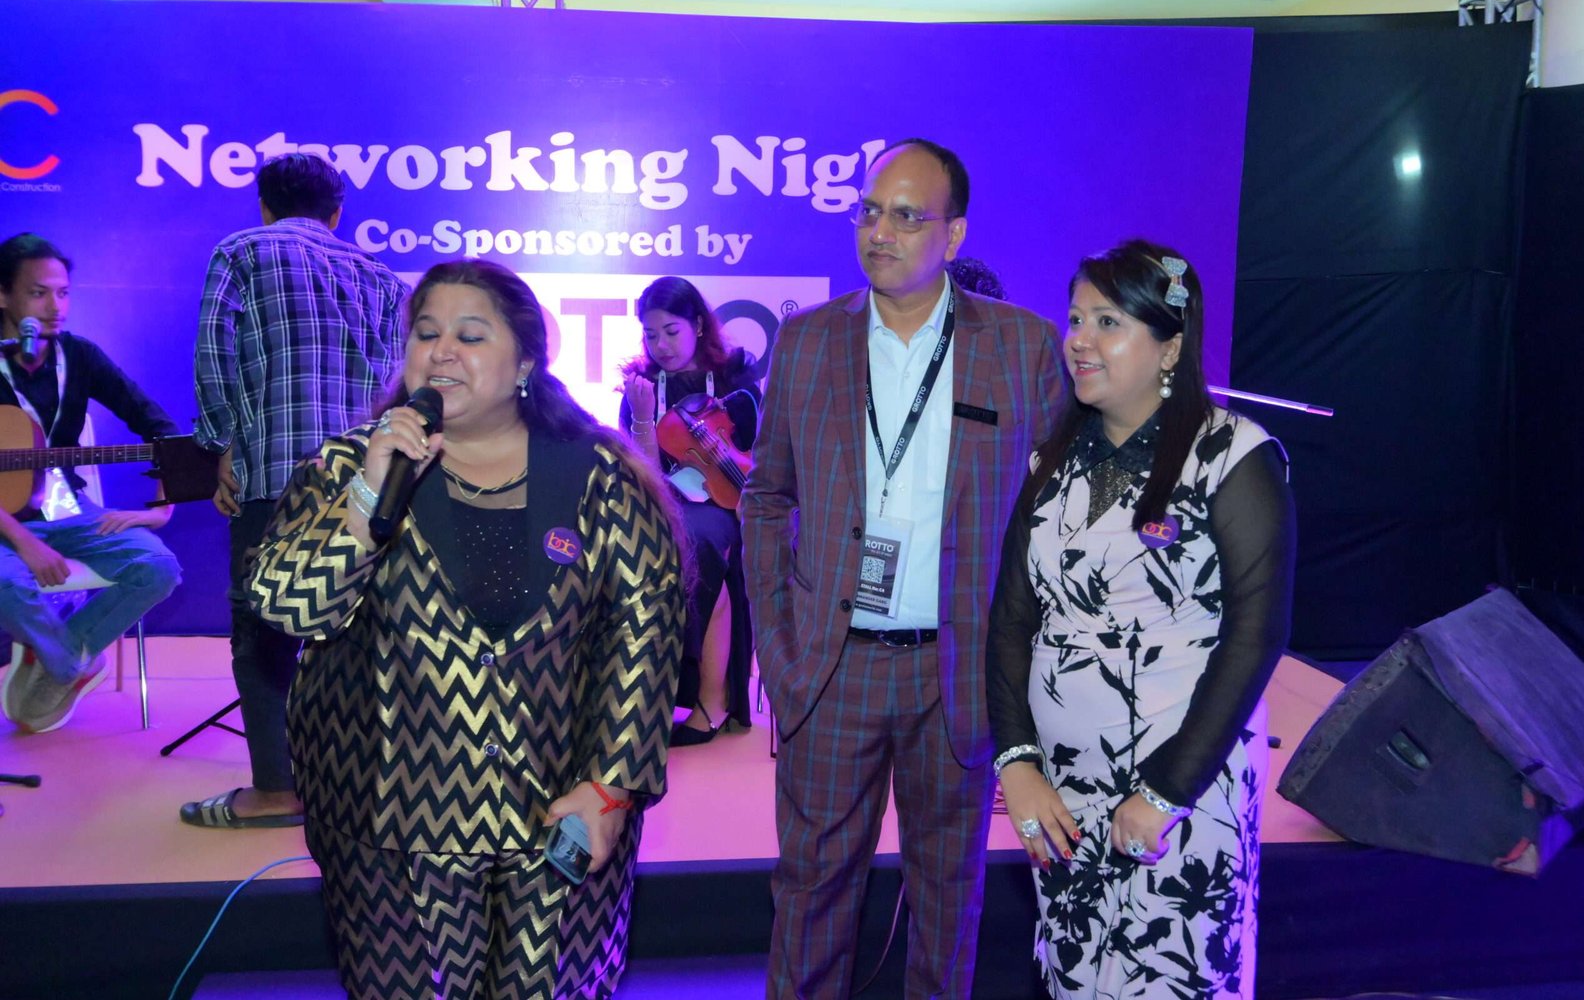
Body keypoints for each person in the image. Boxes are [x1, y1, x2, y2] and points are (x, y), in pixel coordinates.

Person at [248, 259, 685, 999]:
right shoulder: (349, 465)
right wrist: (366, 499)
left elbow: (643, 635)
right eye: (426, 334)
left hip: (562, 810)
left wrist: (612, 787)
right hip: (389, 819)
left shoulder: (599, 474)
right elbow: (291, 609)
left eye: (471, 336)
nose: (441, 351)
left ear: (525, 363)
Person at [742, 138, 1069, 998]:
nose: (879, 232)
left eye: (907, 216)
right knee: (811, 891)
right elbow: (766, 498)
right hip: (830, 665)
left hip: (957, 672)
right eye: (869, 212)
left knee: (947, 898)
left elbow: (1058, 521)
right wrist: (779, 647)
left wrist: (1024, 664)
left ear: (953, 234)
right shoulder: (808, 341)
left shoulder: (1023, 347)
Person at [986, 241, 1295, 999]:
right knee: (1076, 979)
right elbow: (1012, 621)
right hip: (1063, 797)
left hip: (1184, 793)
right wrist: (1018, 765)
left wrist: (1165, 792)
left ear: (1170, 347)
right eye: (1075, 319)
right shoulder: (1050, 462)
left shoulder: (1232, 455)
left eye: (1108, 321)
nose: (1079, 340)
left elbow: (1257, 634)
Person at [185, 153, 407, 829]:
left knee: (263, 630)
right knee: (360, 633)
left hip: (276, 478)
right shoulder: (381, 276)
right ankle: (360, 785)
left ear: (264, 206)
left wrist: (222, 445)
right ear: (337, 214)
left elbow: (214, 356)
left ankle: (277, 791)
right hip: (365, 483)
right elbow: (394, 383)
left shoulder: (241, 251)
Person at [0, 233, 181, 734]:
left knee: (158, 568)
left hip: (64, 505)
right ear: (4, 295)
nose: (55, 307)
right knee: (5, 582)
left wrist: (160, 508)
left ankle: (56, 651)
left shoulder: (79, 356)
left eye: (63, 293)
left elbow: (160, 428)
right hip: (5, 522)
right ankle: (70, 663)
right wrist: (24, 541)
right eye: (38, 293)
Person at [619, 276, 761, 745]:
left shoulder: (736, 377)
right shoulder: (640, 387)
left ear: (698, 325)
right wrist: (643, 416)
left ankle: (709, 700)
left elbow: (760, 455)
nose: (660, 345)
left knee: (699, 542)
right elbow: (643, 472)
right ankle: (650, 698)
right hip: (659, 501)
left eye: (671, 331)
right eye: (650, 334)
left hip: (726, 505)